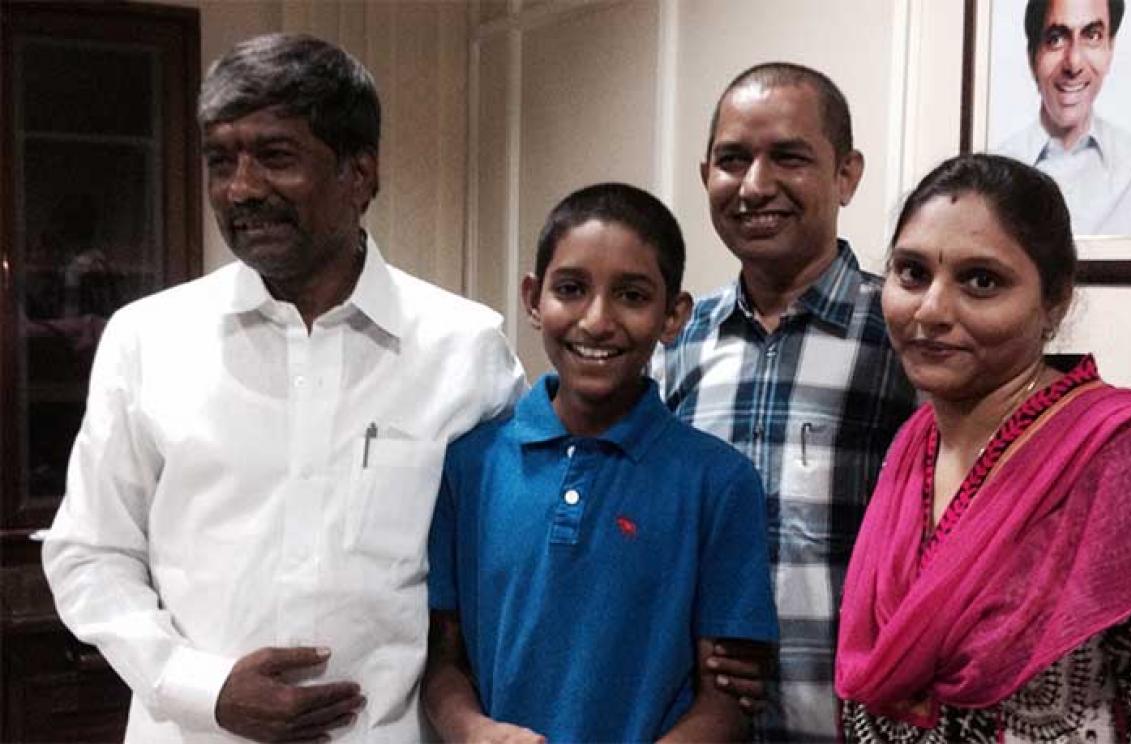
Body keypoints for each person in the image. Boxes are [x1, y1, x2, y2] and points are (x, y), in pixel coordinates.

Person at [42, 33, 525, 743]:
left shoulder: (465, 349)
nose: (241, 189)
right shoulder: (148, 339)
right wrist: (202, 688)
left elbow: (506, 567)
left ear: (360, 175)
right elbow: (89, 552)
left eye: (275, 156)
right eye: (221, 160)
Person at [836, 153, 1131, 742]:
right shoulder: (911, 448)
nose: (931, 310)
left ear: (1053, 302)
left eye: (982, 281)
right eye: (911, 273)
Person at [423, 183, 779, 742]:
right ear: (534, 299)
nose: (597, 320)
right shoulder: (470, 465)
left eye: (632, 296)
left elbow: (730, 698)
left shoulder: (718, 482)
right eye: (571, 289)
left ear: (673, 315)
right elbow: (441, 659)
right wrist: (471, 730)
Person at [652, 63, 917, 742]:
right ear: (705, 172)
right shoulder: (675, 342)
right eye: (733, 160)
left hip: (854, 725)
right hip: (692, 723)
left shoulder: (907, 334)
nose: (755, 186)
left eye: (789, 158)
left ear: (847, 175)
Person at [995, 0, 1131, 236]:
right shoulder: (997, 171)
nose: (1074, 63)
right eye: (1056, 39)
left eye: (1092, 36)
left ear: (1110, 49)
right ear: (1032, 58)